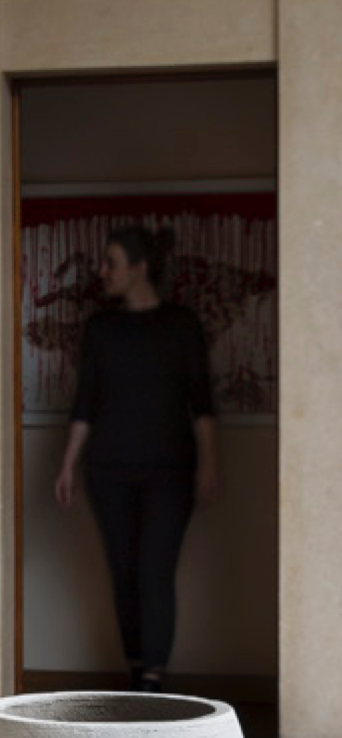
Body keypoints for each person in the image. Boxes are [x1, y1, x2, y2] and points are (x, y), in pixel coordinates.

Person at [54, 221, 219, 691]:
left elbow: (202, 403)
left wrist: (210, 463)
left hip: (171, 471)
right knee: (123, 573)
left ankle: (152, 681)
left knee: (154, 572)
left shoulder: (181, 325)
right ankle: (135, 671)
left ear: (140, 267)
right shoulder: (101, 329)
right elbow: (85, 403)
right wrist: (67, 465)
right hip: (108, 471)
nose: (102, 272)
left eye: (111, 263)